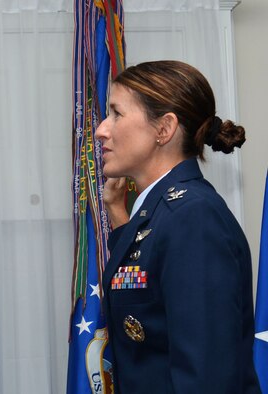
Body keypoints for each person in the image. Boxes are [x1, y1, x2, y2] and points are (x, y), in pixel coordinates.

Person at [95, 60, 261, 393]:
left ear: (164, 129)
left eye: (117, 114)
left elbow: (206, 379)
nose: (102, 129)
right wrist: (117, 213)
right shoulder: (165, 212)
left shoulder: (193, 218)